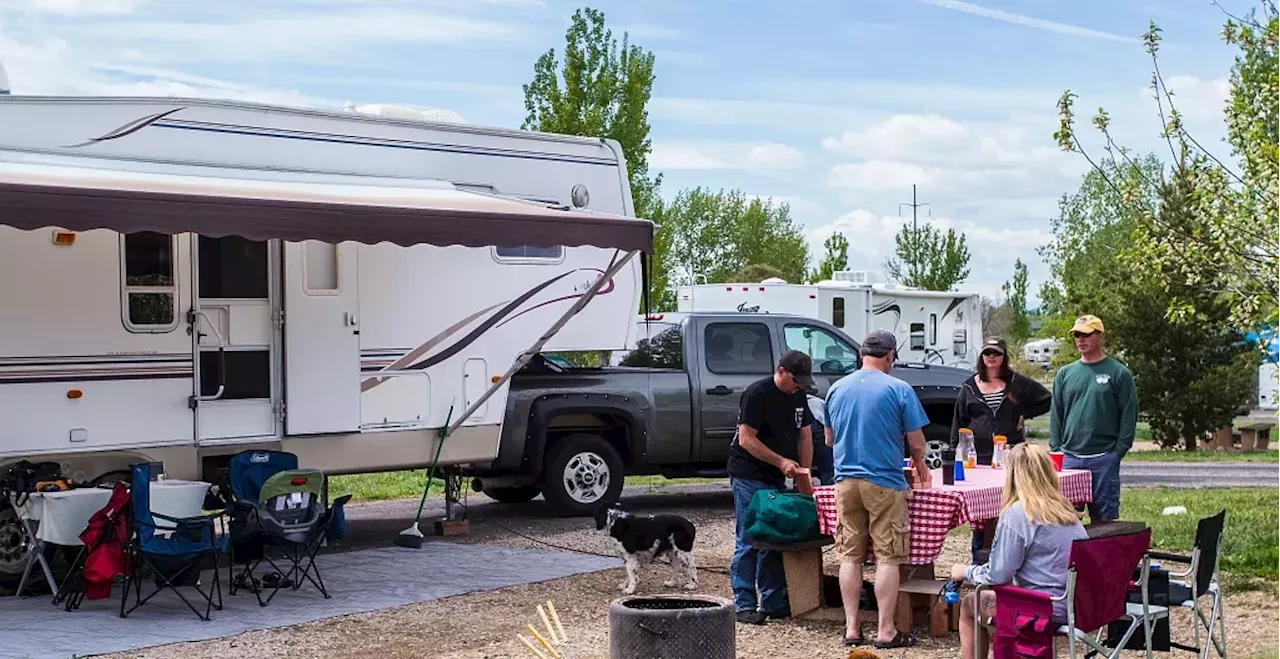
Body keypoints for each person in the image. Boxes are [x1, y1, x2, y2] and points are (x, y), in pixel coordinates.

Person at [824, 330, 931, 649]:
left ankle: (852, 628)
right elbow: (917, 442)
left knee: (849, 556)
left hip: (845, 480)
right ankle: (886, 630)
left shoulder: (836, 388)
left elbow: (829, 440)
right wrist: (920, 464)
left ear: (860, 355)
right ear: (890, 356)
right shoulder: (899, 388)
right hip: (884, 481)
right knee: (888, 556)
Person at [949, 443, 1089, 659]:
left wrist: (965, 572)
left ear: (1012, 476)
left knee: (969, 604)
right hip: (1076, 605)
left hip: (1040, 609)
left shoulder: (1018, 513)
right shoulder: (1067, 513)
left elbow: (998, 575)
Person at [727, 349, 815, 625]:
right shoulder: (757, 394)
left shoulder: (798, 396)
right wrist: (780, 462)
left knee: (774, 536)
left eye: (802, 382)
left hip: (778, 476)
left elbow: (805, 435)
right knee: (750, 537)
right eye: (795, 380)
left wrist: (804, 471)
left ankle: (773, 601)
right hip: (749, 475)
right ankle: (744, 602)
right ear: (780, 372)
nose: (798, 386)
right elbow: (746, 439)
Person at [951, 336, 1053, 560]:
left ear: (1004, 357)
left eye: (996, 353)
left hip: (1011, 454)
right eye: (987, 353)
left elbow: (1047, 399)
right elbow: (959, 421)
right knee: (981, 514)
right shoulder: (969, 386)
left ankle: (1012, 556)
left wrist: (1024, 414)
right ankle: (980, 558)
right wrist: (953, 452)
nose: (991, 357)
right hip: (977, 456)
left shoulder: (1018, 383)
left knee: (1011, 507)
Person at [1049, 314, 1138, 523]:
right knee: (1066, 520)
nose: (1081, 340)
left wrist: (1117, 452)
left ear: (1101, 336)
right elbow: (1057, 414)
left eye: (1087, 335)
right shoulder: (1065, 374)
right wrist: (1056, 450)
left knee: (1104, 522)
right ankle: (1071, 557)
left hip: (1104, 457)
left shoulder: (1118, 373)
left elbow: (1128, 414)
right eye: (1077, 335)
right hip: (1069, 457)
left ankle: (1102, 556)